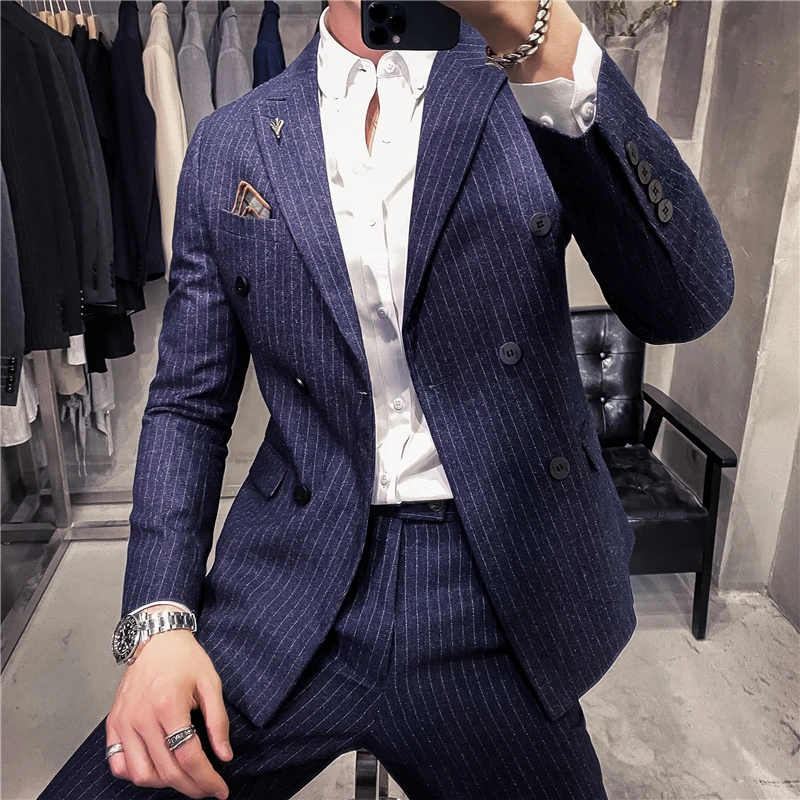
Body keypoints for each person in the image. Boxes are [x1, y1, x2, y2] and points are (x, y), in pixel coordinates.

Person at [38, 0, 734, 798]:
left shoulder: (521, 85)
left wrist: (536, 33)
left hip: (495, 581)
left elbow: (686, 301)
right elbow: (187, 405)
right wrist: (159, 619)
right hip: (291, 578)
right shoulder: (231, 141)